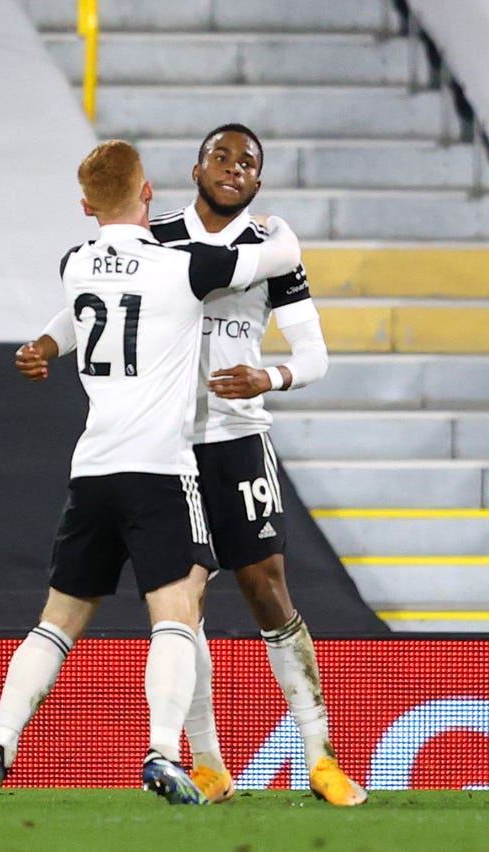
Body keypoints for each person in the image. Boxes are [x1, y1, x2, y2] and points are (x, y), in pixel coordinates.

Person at [0, 139, 303, 806]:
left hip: (92, 471)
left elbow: (82, 310)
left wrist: (46, 344)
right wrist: (279, 228)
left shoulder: (75, 264)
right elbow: (280, 257)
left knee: (54, 623)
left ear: (86, 206)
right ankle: (164, 753)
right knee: (178, 612)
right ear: (148, 195)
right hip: (160, 471)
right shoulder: (186, 268)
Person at [32, 126, 367, 807]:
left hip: (238, 439)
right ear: (196, 167)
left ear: (257, 181)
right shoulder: (154, 237)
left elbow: (315, 354)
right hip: (167, 443)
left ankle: (321, 755)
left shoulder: (269, 249)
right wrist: (49, 341)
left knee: (266, 587)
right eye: (223, 154)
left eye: (249, 161)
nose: (234, 167)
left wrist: (269, 375)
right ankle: (209, 763)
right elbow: (89, 305)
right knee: (184, 598)